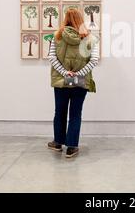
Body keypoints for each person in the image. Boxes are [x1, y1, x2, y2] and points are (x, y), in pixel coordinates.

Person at [47, 8, 99, 158]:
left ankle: (58, 143)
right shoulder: (90, 38)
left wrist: (66, 73)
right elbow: (94, 60)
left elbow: (51, 57)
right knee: (75, 114)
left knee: (60, 112)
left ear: (66, 19)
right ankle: (71, 147)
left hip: (61, 81)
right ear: (80, 19)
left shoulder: (57, 36)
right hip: (80, 81)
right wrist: (78, 74)